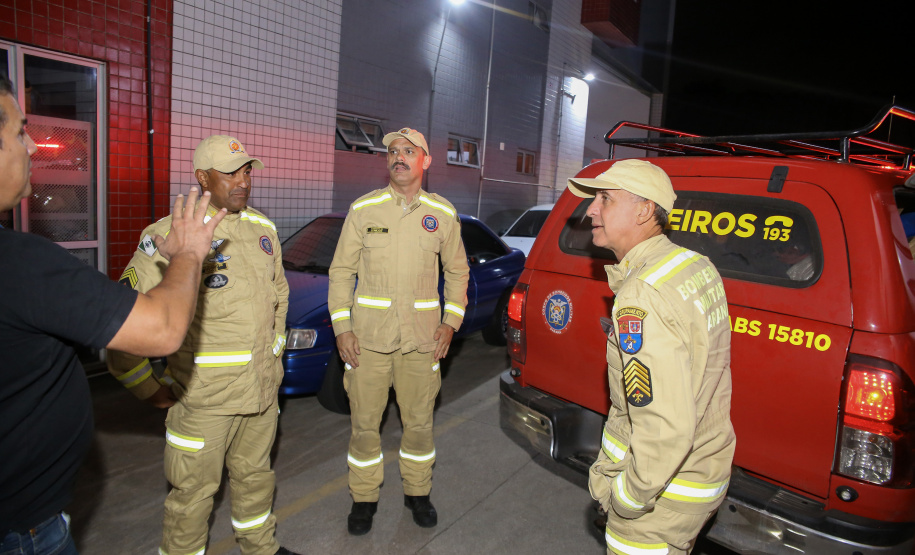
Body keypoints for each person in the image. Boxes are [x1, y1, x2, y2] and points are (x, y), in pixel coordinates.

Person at [0, 75, 227, 554]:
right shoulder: (20, 264)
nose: (32, 147)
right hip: (23, 530)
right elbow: (158, 329)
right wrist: (189, 253)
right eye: (20, 132)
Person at [107, 135, 297, 555]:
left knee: (256, 478)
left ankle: (261, 547)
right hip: (204, 400)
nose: (243, 181)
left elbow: (279, 297)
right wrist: (151, 390)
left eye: (246, 171)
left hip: (262, 392)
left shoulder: (263, 229)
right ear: (202, 178)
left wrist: (275, 353)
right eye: (230, 172)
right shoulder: (168, 236)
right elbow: (122, 327)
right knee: (192, 498)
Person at [567, 159, 736, 555]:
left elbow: (663, 426)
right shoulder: (695, 265)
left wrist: (627, 499)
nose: (591, 210)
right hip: (701, 471)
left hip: (661, 497)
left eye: (605, 199)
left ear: (644, 211)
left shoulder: (642, 295)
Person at [328, 127, 469, 535]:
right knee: (364, 428)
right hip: (367, 343)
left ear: (426, 161)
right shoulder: (363, 210)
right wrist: (342, 329)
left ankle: (418, 493)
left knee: (420, 426)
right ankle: (364, 498)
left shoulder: (443, 214)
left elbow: (458, 272)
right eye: (392, 151)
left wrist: (451, 322)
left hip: (422, 343)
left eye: (409, 151)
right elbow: (341, 272)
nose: (399, 157)